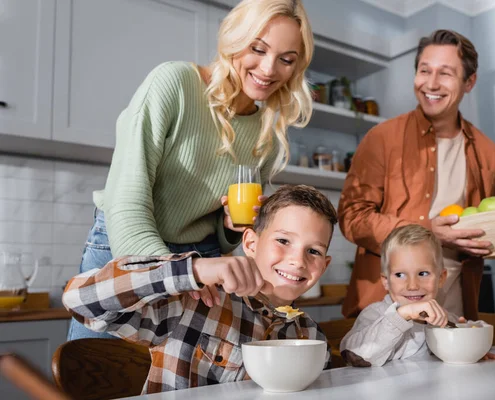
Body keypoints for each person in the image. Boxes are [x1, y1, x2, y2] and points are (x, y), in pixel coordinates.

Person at [68, 0, 315, 340]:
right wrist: (183, 273)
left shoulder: (267, 135)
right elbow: (125, 201)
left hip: (202, 261)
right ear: (234, 40)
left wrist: (230, 227)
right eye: (257, 49)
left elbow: (223, 233)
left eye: (287, 59)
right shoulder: (176, 83)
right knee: (97, 377)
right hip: (124, 250)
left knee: (179, 382)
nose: (269, 69)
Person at [337, 29, 495, 321]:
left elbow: (490, 225)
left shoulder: (490, 155)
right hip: (386, 314)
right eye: (425, 70)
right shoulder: (381, 138)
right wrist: (425, 231)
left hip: (456, 311)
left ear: (469, 82)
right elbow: (352, 217)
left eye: (445, 73)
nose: (431, 83)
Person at [63, 185, 336, 393]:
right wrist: (194, 270)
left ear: (323, 267)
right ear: (251, 244)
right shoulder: (196, 304)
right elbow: (79, 298)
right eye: (283, 240)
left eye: (313, 251)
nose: (298, 261)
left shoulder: (310, 336)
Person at [340, 225, 495, 367]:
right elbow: (354, 354)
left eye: (423, 273)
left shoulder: (446, 319)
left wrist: (472, 347)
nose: (412, 285)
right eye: (400, 275)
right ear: (386, 281)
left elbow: (463, 343)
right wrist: (401, 315)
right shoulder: (374, 313)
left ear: (441, 278)